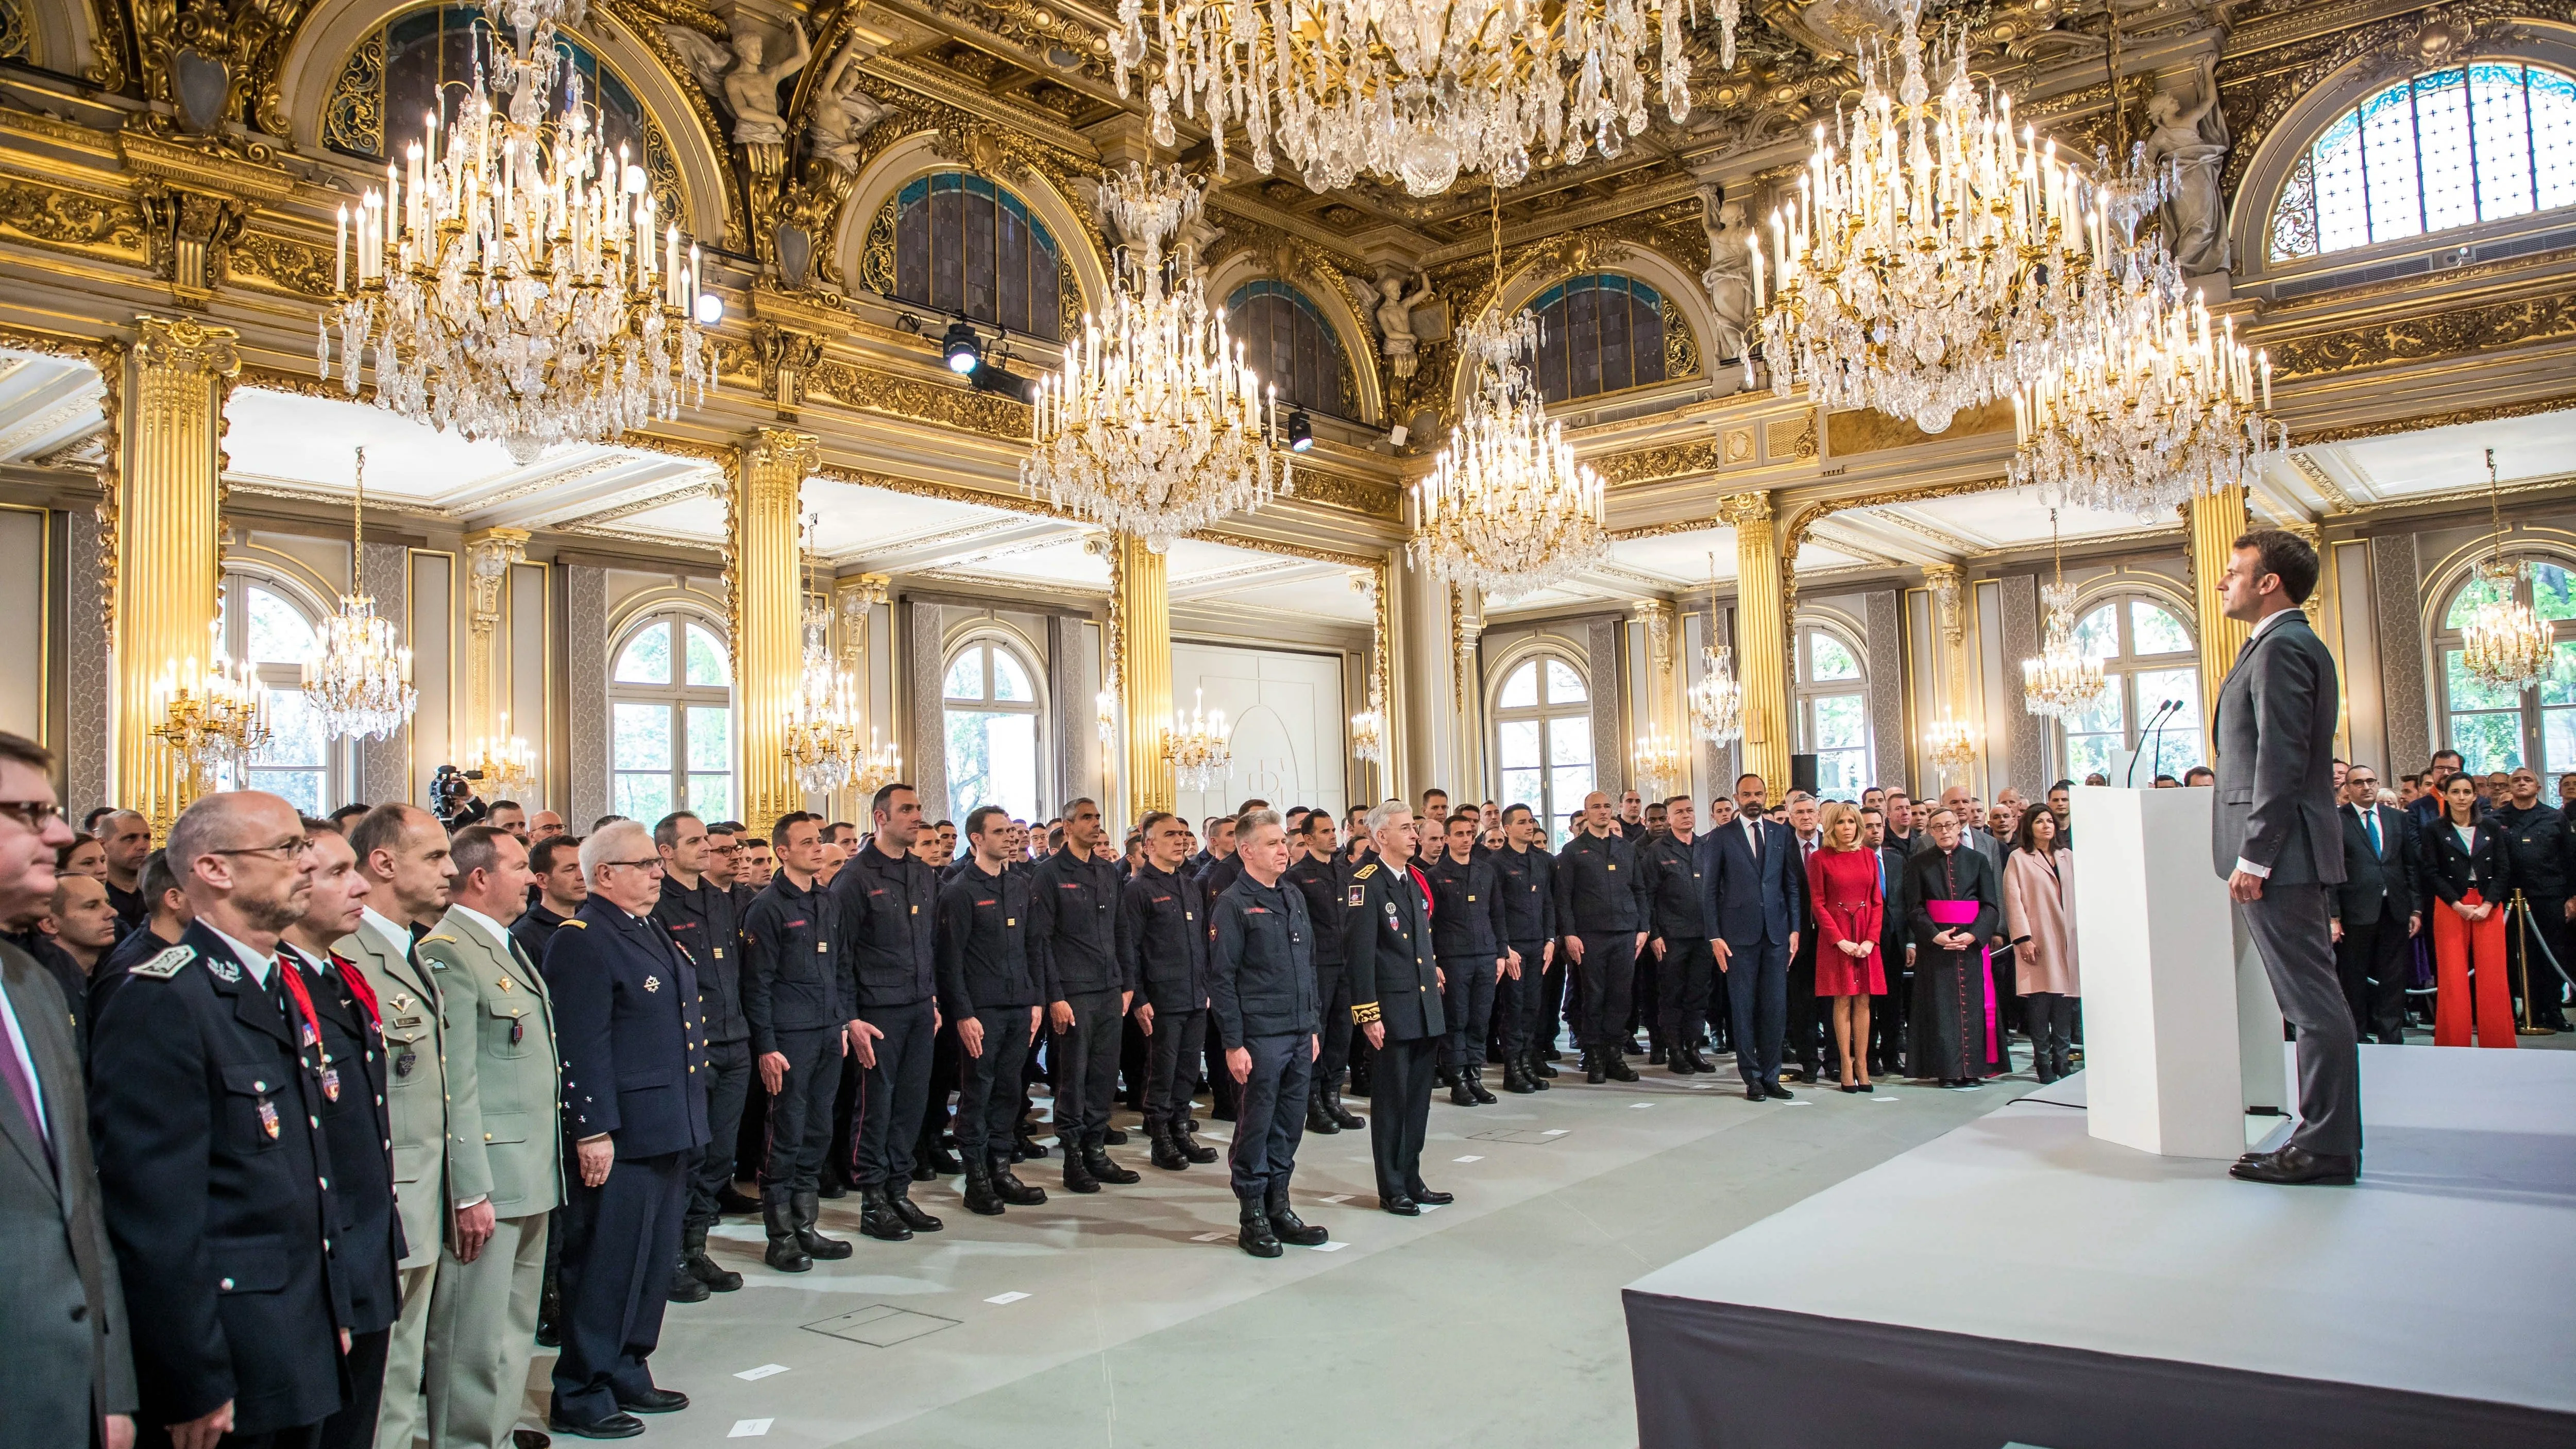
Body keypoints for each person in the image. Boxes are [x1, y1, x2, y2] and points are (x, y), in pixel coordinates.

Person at [91, 790, 345, 1449]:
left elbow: (305, 1172)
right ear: (215, 869)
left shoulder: (274, 981)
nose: (308, 864)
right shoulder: (165, 998)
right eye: (288, 849)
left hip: (296, 1325)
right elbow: (155, 1216)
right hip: (231, 1351)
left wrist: (331, 1306)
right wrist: (190, 1375)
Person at [541, 820, 708, 1437]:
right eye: (643, 863)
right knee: (606, 1261)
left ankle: (628, 1364)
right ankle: (580, 1387)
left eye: (654, 864)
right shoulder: (582, 938)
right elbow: (582, 1043)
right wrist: (591, 1130)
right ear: (605, 874)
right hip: (623, 1131)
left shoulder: (646, 926)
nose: (657, 871)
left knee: (651, 1256)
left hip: (667, 1121)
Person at [2212, 529, 2361, 1188]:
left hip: (2284, 852)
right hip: (2289, 850)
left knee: (2310, 1005)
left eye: (2232, 570)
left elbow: (2282, 758)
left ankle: (2324, 1146)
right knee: (2307, 1002)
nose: (2222, 582)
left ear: (2267, 580)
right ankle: (2323, 1138)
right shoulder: (2276, 646)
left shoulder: (2283, 646)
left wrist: (2256, 855)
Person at [0, 732, 134, 1449]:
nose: (57, 832)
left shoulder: (35, 983)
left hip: (63, 1391)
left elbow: (79, 1201)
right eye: (26, 813)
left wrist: (109, 1388)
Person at [415, 825, 564, 1449]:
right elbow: (455, 1080)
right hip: (490, 1176)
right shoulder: (448, 951)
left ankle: (496, 1431)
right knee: (471, 1332)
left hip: (529, 1167)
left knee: (511, 1324)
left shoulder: (500, 944)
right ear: (480, 877)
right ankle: (467, 1439)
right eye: (519, 866)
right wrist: (468, 1185)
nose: (533, 877)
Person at [279, 819, 403, 1449]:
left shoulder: (340, 977)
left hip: (364, 1232)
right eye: (336, 873)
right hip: (311, 1253)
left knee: (357, 1419)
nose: (359, 886)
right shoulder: (275, 985)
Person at [342, 803, 457, 1449]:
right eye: (435, 856)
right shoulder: (349, 952)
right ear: (383, 862)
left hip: (423, 1189)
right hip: (387, 1193)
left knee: (403, 1363)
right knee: (380, 1377)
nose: (451, 868)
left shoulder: (406, 947)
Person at [740, 813, 858, 1272]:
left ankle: (807, 1225)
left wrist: (845, 1022)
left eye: (818, 841)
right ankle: (781, 1234)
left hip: (828, 1031)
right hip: (788, 1038)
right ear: (783, 852)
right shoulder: (768, 907)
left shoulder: (827, 902)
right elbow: (757, 984)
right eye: (806, 842)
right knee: (785, 1131)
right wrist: (767, 1046)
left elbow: (842, 969)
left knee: (818, 1129)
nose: (817, 847)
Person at [1210, 810, 1328, 1258]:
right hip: (1260, 1036)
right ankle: (1252, 1215)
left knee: (1288, 1125)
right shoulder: (1234, 903)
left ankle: (1280, 1206)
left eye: (1285, 842)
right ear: (1247, 850)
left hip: (1298, 1031)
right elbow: (1222, 978)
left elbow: (1309, 967)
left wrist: (1312, 1024)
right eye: (1275, 843)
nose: (1285, 850)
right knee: (1256, 1126)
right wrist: (1234, 1043)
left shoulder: (1293, 896)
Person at [830, 784, 945, 1240]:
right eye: (906, 809)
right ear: (880, 818)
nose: (917, 816)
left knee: (911, 1103)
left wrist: (932, 998)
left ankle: (899, 1188)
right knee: (876, 1106)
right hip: (876, 1011)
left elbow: (929, 944)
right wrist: (850, 1017)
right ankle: (873, 1198)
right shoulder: (856, 876)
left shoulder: (921, 872)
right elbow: (841, 955)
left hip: (917, 1005)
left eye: (919, 807)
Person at [650, 811, 751, 1295]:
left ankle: (696, 1247)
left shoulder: (721, 899)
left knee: (719, 1155)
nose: (706, 849)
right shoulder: (658, 904)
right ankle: (668, 1257)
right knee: (686, 1157)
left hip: (735, 1038)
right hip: (693, 1047)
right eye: (694, 842)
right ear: (666, 850)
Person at [936, 807, 1047, 1218]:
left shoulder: (1020, 885)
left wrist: (1036, 999)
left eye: (1010, 831)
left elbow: (1033, 947)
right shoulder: (960, 891)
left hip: (1020, 1005)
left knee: (1010, 1089)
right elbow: (951, 960)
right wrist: (963, 1013)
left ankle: (1001, 1166)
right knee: (978, 1091)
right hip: (981, 1009)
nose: (1010, 838)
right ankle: (977, 1177)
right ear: (976, 839)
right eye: (999, 832)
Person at [1344, 802, 1448, 1216]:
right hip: (1390, 1009)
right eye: (1406, 828)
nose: (1414, 835)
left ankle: (1412, 1176)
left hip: (1423, 1005)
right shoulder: (1365, 883)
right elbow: (1359, 954)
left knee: (1418, 1101)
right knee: (1392, 1103)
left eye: (1414, 828)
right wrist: (1368, 1013)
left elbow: (1421, 944)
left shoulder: (1416, 879)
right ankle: (1392, 1186)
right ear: (1381, 836)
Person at [1030, 797, 1136, 1194]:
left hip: (1109, 988)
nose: (1095, 824)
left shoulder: (1105, 870)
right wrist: (1054, 996)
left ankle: (1096, 1149)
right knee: (1073, 1077)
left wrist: (1127, 983)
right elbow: (1041, 940)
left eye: (1097, 817)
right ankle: (1073, 1158)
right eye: (1087, 818)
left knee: (1104, 1076)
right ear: (1068, 826)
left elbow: (1120, 929)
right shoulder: (1050, 874)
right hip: (1073, 992)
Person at [1699, 775, 1804, 1103]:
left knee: (1775, 1008)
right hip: (1737, 937)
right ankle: (1752, 1077)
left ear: (1766, 796)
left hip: (1776, 934)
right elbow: (1709, 891)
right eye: (1747, 795)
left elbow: (1791, 886)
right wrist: (1714, 935)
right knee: (1743, 1009)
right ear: (1737, 797)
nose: (1753, 799)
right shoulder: (1720, 837)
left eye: (1759, 794)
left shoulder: (1781, 833)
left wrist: (1795, 929)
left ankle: (1773, 1075)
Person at [1125, 811, 1219, 1169]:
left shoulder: (1188, 884)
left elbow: (1202, 942)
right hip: (1161, 998)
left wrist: (1206, 985)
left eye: (1183, 834)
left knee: (1187, 1069)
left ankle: (1181, 1128)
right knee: (1162, 1070)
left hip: (1194, 993)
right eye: (1170, 835)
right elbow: (1131, 949)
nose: (1181, 840)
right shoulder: (1138, 889)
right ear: (1149, 845)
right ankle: (1160, 1136)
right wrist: (1140, 998)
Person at [1904, 807, 2006, 1088]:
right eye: (1938, 827)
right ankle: (1946, 1071)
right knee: (1941, 1008)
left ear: (1958, 827)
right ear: (1931, 831)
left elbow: (1991, 906)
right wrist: (1935, 936)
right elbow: (1914, 908)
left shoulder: (1978, 861)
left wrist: (1974, 936)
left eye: (1949, 825)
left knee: (1973, 1007)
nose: (1944, 831)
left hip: (1971, 946)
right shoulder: (1919, 863)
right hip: (1936, 947)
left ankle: (1972, 1070)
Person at [1554, 791, 1650, 1083]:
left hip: (1625, 933)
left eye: (1607, 806)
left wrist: (1643, 928)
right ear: (1586, 813)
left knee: (1621, 997)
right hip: (1589, 935)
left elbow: (1640, 890)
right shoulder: (1573, 852)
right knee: (1594, 997)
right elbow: (1564, 898)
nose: (1603, 811)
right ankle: (1594, 1055)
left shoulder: (1626, 849)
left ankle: (1614, 1055)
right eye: (1596, 807)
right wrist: (1569, 934)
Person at [2421, 772, 2515, 1050]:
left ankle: (2499, 1044)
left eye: (2466, 792)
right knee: (2452, 975)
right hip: (2452, 903)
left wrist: (2488, 904)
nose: (2461, 798)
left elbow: (2503, 869)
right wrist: (2457, 903)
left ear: (2475, 795)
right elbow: (2430, 872)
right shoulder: (2434, 830)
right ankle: (2453, 1044)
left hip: (2488, 903)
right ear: (2446, 795)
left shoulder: (2492, 828)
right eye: (2455, 792)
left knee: (2493, 974)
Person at [1284, 810, 1365, 1127]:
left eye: (1334, 830)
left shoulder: (1347, 872)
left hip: (1347, 963)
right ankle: (1312, 1100)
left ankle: (1333, 1096)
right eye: (1325, 831)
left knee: (1342, 1033)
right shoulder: (1296, 877)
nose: (1333, 836)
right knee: (1317, 1034)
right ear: (1307, 838)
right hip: (1317, 966)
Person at [2330, 765, 2419, 1048]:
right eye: (2358, 783)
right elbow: (2330, 873)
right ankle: (2357, 1033)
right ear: (2348, 788)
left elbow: (2410, 866)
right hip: (2355, 911)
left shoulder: (2397, 819)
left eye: (2371, 781)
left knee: (2394, 976)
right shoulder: (2337, 820)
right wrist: (2333, 916)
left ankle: (2391, 1033)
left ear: (2378, 783)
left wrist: (2416, 909)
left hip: (2394, 908)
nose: (2366, 787)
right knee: (2354, 976)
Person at [1424, 811, 1507, 1105]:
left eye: (1470, 834)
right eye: (1459, 834)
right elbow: (1429, 922)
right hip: (1453, 957)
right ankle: (1457, 1079)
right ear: (1447, 839)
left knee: (1480, 1020)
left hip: (1486, 954)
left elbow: (1497, 914)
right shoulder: (1434, 876)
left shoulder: (1486, 871)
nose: (1466, 839)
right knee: (1456, 1021)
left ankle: (1475, 1076)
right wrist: (1433, 961)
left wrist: (1501, 953)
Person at [1805, 802, 1885, 1094]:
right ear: (1831, 827)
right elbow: (1818, 903)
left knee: (1864, 1001)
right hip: (1836, 936)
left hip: (1865, 933)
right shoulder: (1819, 858)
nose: (1847, 828)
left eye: (1852, 822)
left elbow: (1877, 901)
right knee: (1842, 1000)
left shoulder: (1869, 857)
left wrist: (1869, 940)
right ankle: (1846, 1065)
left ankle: (1863, 1064)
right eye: (1841, 823)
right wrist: (1839, 940)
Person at [2002, 806, 2080, 1084]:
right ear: (2029, 827)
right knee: (2040, 1002)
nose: (2046, 825)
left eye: (2050, 821)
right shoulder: (2019, 858)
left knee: (2065, 1003)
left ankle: (2062, 1059)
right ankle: (2043, 1061)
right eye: (2040, 821)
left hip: (2069, 938)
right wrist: (2023, 938)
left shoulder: (2067, 856)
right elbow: (2013, 900)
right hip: (2038, 937)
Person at [2489, 766, 2572, 1031]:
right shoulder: (2496, 819)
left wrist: (2573, 897)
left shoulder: (2554, 818)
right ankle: (2525, 1011)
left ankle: (2553, 1010)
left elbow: (2571, 860)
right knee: (2515, 957)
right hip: (2508, 898)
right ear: (2508, 788)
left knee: (2550, 955)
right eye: (2516, 780)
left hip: (2548, 895)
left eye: (2527, 780)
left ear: (2538, 787)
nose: (2522, 783)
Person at [1638, 796, 1714, 1077]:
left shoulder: (1707, 847)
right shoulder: (1657, 852)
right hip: (1671, 937)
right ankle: (1675, 1052)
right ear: (1669, 819)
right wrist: (1654, 933)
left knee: (1698, 994)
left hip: (1704, 935)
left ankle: (1693, 1048)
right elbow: (1647, 896)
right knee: (1672, 995)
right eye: (1679, 812)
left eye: (1690, 810)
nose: (1686, 816)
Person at [1860, 807, 1909, 1077]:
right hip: (1867, 941)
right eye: (1869, 826)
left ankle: (1892, 1055)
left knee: (1893, 1002)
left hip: (1895, 940)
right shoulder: (1856, 860)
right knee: (1868, 1003)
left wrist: (1911, 942)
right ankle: (1869, 1058)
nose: (1876, 831)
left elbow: (1908, 902)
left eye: (1879, 825)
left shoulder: (1896, 859)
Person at [515, 834, 586, 965]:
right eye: (570, 869)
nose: (582, 876)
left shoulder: (592, 922)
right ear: (542, 880)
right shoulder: (524, 936)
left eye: (583, 867)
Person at [43, 870, 120, 976]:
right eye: (92, 906)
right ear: (50, 924)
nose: (113, 913)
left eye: (108, 903)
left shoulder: (117, 972)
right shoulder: (37, 985)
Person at [95, 808, 150, 934]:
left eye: (146, 838)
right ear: (102, 845)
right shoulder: (94, 898)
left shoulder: (157, 894)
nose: (143, 846)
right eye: (131, 838)